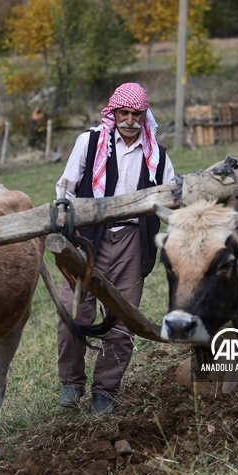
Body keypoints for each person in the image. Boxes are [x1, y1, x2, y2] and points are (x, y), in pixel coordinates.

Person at [55, 82, 176, 415]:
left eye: (137, 114)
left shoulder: (158, 156)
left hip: (132, 243)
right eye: (124, 113)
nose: (130, 120)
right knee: (73, 311)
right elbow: (64, 188)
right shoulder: (90, 142)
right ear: (113, 112)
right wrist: (65, 220)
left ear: (143, 116)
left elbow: (171, 198)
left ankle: (105, 391)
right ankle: (71, 384)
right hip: (87, 239)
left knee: (123, 319)